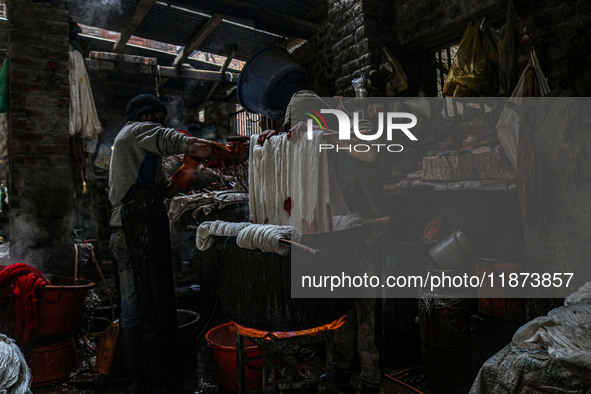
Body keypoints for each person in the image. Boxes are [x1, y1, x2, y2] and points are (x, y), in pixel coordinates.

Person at [258, 91, 388, 394]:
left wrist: (321, 134)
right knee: (339, 310)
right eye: (296, 125)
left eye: (307, 123)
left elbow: (369, 152)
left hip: (367, 233)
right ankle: (340, 374)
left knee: (365, 311)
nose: (302, 130)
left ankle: (371, 378)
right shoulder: (306, 139)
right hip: (334, 235)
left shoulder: (354, 129)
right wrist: (275, 140)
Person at [108, 94, 212, 393]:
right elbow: (187, 143)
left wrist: (186, 172)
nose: (160, 124)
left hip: (129, 229)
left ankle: (143, 378)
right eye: (156, 118)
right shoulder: (136, 131)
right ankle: (149, 379)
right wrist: (224, 152)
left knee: (137, 306)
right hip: (131, 231)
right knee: (144, 305)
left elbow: (158, 193)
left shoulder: (138, 152)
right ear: (145, 117)